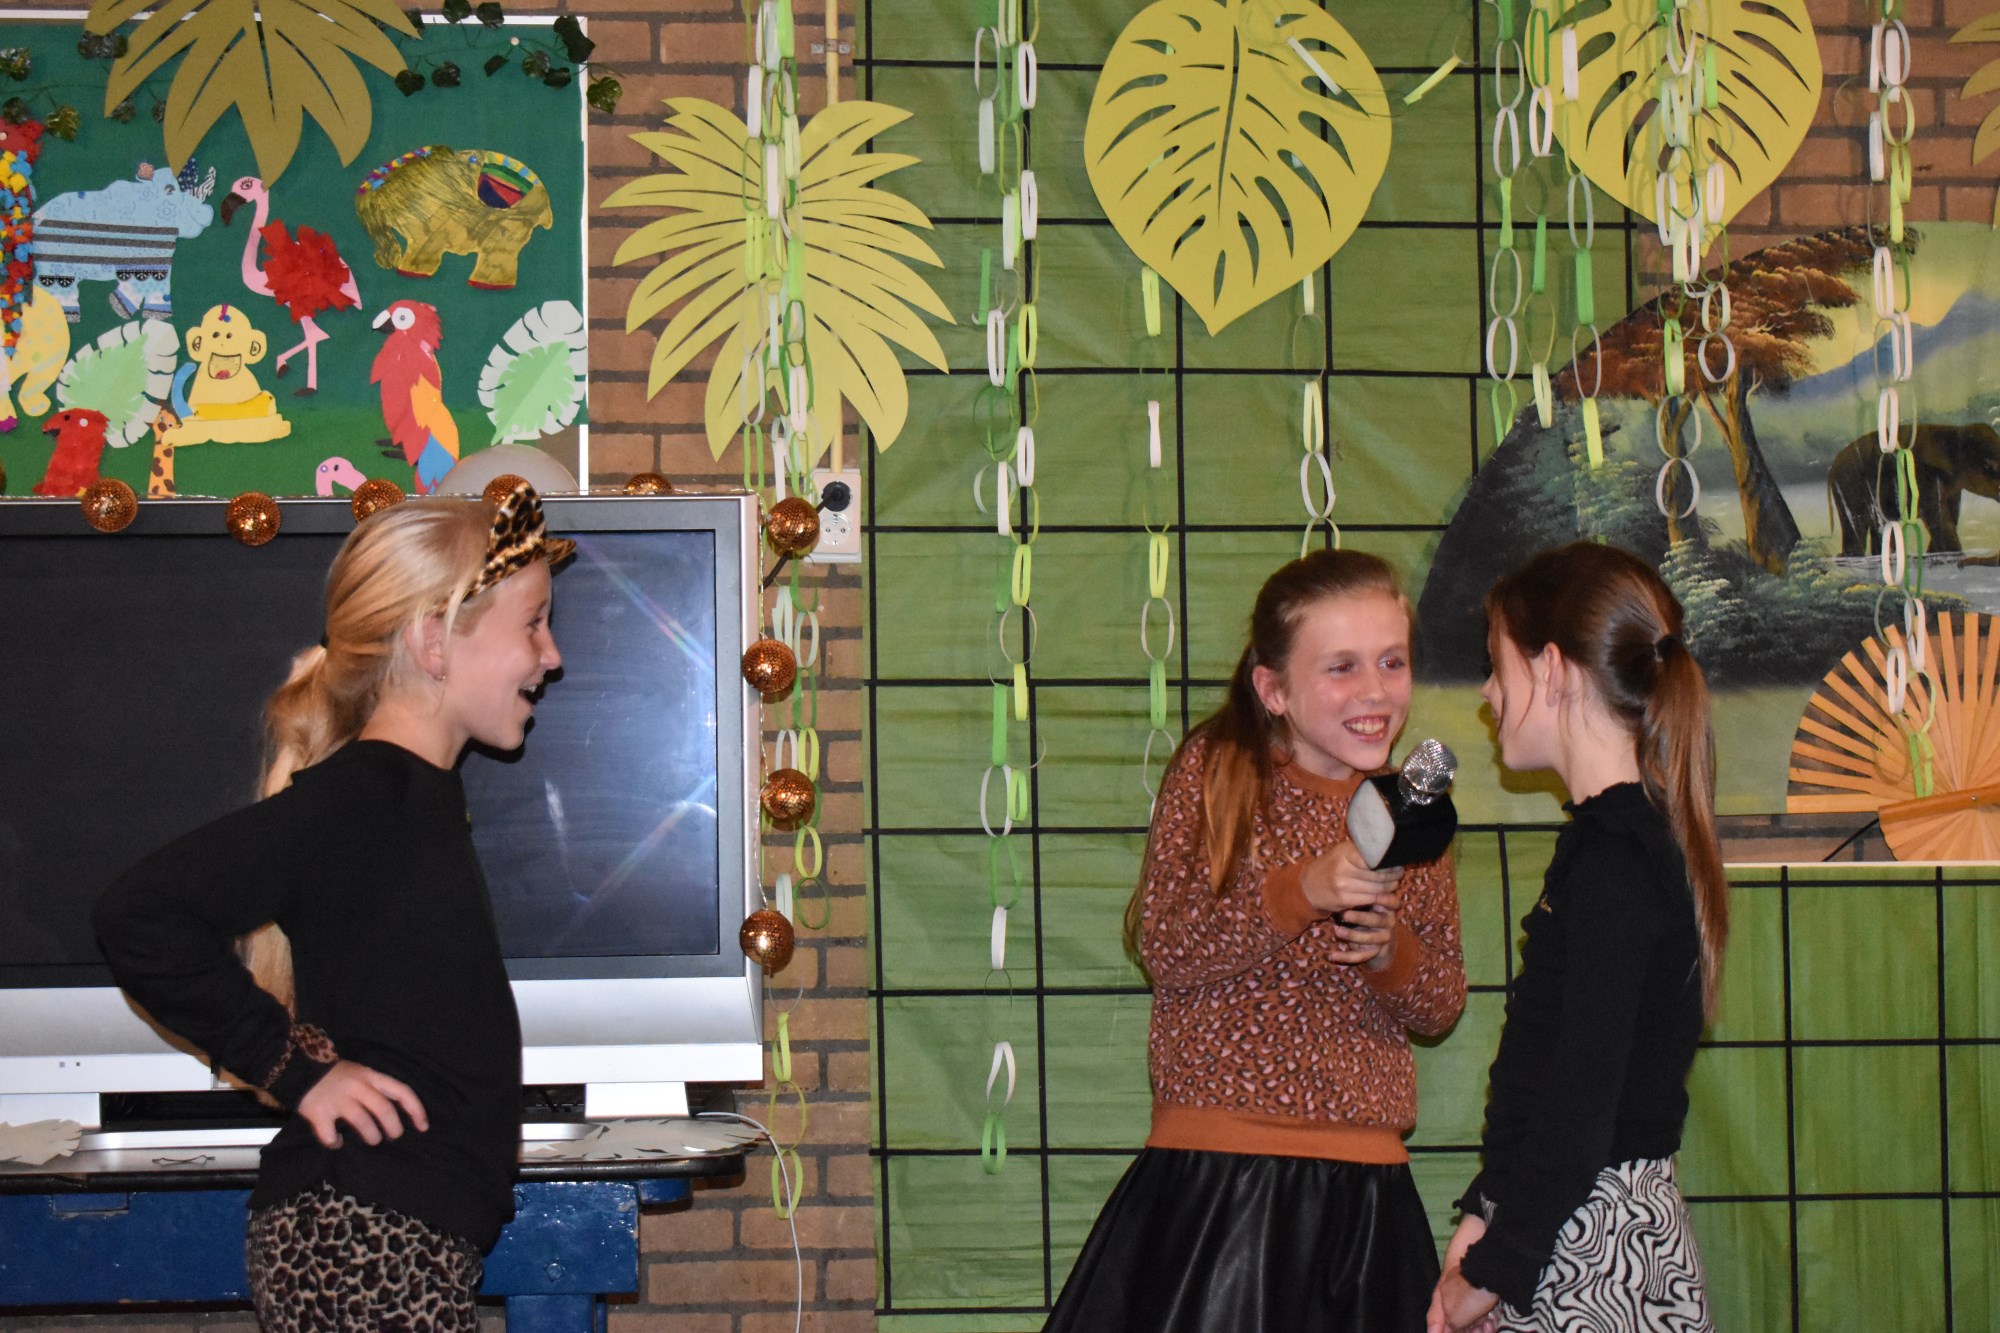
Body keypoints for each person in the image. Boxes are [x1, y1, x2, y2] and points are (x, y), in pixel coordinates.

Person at [92, 483, 571, 1331]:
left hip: (392, 1235)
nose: (552, 654)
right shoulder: (364, 797)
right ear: (433, 639)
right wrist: (293, 1067)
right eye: (532, 623)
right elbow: (140, 911)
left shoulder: (411, 799)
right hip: (362, 1241)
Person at [1046, 548, 1466, 1333]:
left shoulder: (1414, 813)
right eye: (1341, 667)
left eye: (1392, 661)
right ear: (1272, 688)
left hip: (1367, 1190)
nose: (1375, 691)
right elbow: (1167, 944)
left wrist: (1389, 953)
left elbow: (1442, 1002)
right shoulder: (1219, 771)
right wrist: (1301, 889)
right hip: (1218, 1182)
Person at [1430, 542, 1726, 1333]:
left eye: (1497, 666)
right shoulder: (1604, 844)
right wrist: (1484, 1217)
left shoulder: (1618, 859)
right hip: (1567, 1224)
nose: (1488, 693)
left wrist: (1494, 1268)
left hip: (1589, 1242)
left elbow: (1580, 1101)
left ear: (1552, 669)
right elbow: (1545, 1075)